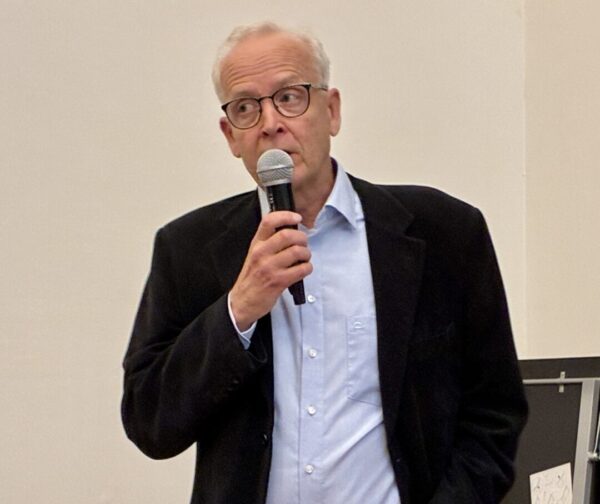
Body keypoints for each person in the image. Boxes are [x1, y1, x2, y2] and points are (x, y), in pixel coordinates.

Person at [121, 21, 528, 504]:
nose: (271, 122)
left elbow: (494, 414)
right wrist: (238, 311)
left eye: (289, 97)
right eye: (246, 107)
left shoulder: (444, 233)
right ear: (230, 136)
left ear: (331, 111)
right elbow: (150, 422)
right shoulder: (187, 248)